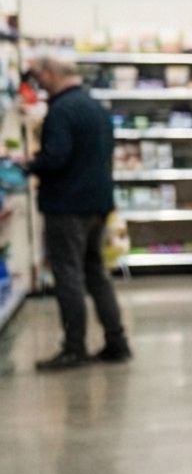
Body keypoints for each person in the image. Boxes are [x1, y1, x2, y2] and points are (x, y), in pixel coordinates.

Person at [24, 49, 127, 370]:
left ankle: (74, 347)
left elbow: (56, 157)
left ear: (50, 75)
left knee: (68, 275)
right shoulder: (95, 107)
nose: (38, 85)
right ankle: (116, 341)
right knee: (96, 273)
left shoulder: (61, 110)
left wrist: (29, 164)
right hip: (97, 203)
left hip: (66, 203)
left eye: (39, 78)